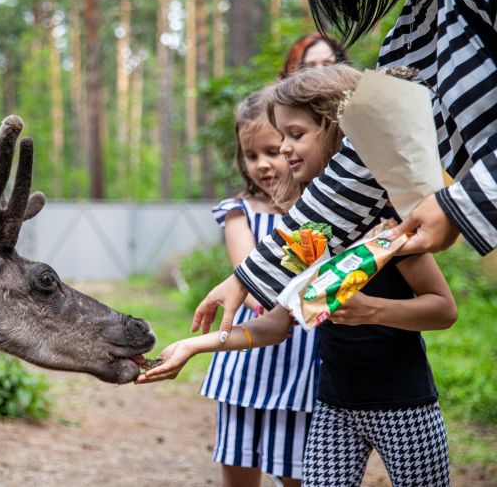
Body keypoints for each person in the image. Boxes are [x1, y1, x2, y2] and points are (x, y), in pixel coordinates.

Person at [138, 64, 457, 486]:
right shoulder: (307, 239)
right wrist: (193, 346)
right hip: (333, 408)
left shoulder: (389, 227)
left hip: (405, 405)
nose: (285, 149)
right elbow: (275, 323)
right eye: (281, 136)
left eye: (296, 134)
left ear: (337, 132)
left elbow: (443, 310)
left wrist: (372, 310)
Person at [193, 0, 497, 339]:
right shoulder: (406, 40)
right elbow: (362, 168)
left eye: (296, 134)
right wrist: (248, 278)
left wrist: (461, 204)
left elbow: (440, 306)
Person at [200, 90, 314, 487]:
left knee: (297, 472)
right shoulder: (239, 211)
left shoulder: (319, 210)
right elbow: (247, 278)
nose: (262, 164)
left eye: (271, 151)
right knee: (239, 472)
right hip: (246, 364)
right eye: (251, 156)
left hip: (302, 368)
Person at [278, 32, 349, 79]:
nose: (319, 71)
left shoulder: (354, 96)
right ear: (293, 69)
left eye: (327, 64)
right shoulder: (277, 101)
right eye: (311, 65)